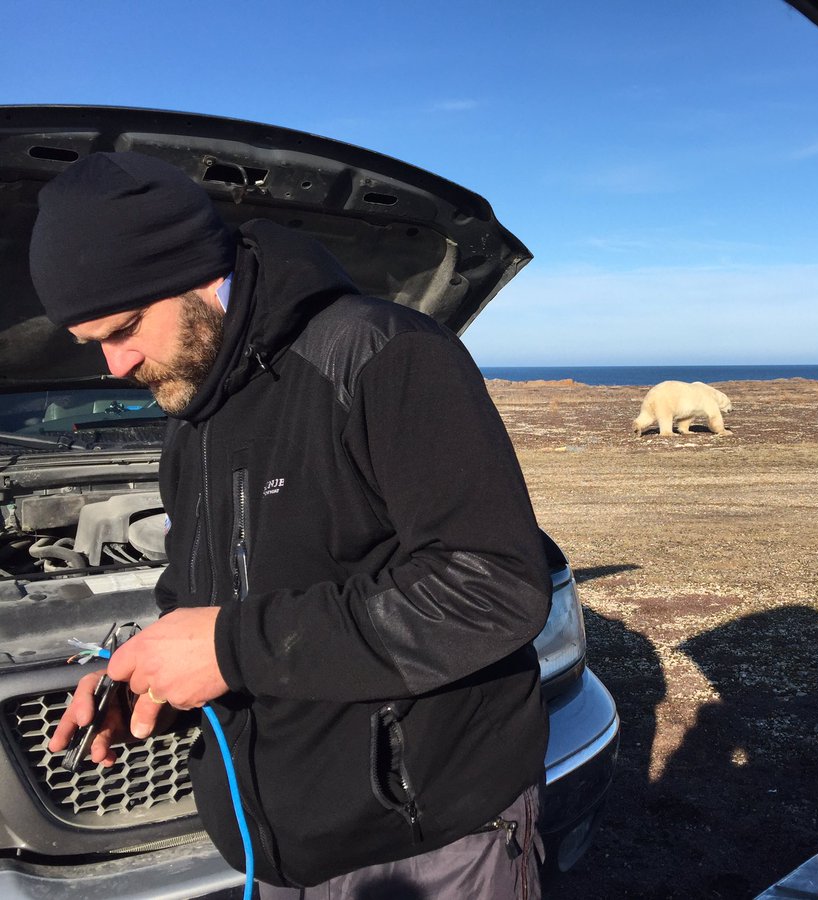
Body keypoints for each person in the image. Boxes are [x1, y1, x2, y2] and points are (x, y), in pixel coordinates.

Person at [34, 151, 551, 899]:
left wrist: (229, 648)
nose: (116, 366)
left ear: (193, 272)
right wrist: (147, 682)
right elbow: (202, 607)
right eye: (96, 345)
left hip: (425, 840)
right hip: (273, 850)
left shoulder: (383, 355)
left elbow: (494, 588)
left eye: (126, 328)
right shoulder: (191, 420)